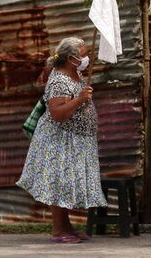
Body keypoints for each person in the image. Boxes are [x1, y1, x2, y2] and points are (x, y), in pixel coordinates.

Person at [17, 37, 106, 244]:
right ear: (71, 59)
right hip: (59, 140)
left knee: (66, 184)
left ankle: (67, 227)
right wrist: (80, 99)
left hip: (75, 140)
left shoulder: (76, 74)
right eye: (83, 55)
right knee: (59, 184)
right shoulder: (59, 80)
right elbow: (57, 113)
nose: (86, 58)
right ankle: (58, 231)